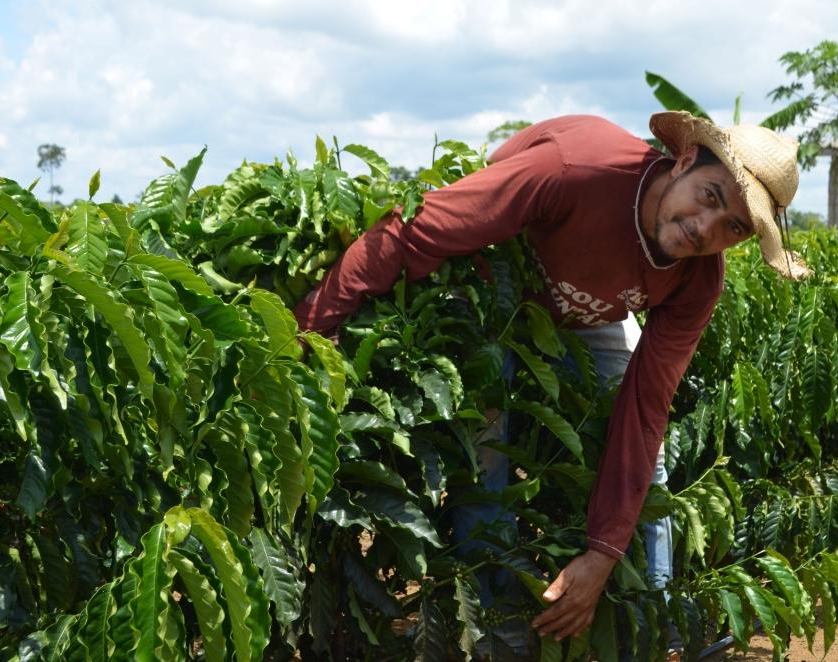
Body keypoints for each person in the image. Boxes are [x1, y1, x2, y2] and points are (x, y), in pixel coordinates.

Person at [294, 110, 809, 655]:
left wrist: (602, 554)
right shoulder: (575, 171)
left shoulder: (699, 278)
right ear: (682, 162)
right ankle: (494, 625)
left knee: (649, 463)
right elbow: (409, 233)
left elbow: (645, 406)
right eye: (709, 196)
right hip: (498, 276)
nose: (706, 228)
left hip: (592, 312)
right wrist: (306, 336)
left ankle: (652, 620)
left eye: (734, 227)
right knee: (486, 452)